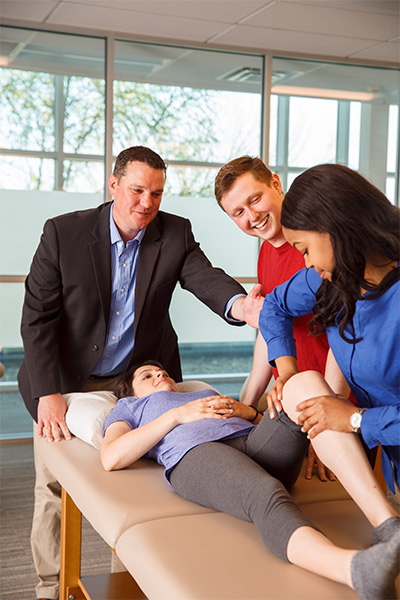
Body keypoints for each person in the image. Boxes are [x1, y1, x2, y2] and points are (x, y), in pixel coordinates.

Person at [18, 146, 261, 600]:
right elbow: (36, 320)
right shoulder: (63, 233)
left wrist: (241, 305)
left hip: (139, 375)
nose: (146, 203)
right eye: (136, 190)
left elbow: (203, 276)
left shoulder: (173, 233)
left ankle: (126, 585)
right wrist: (48, 391)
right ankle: (48, 588)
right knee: (52, 485)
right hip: (65, 376)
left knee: (137, 487)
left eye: (156, 193)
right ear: (113, 186)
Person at [101, 361, 400, 600]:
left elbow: (262, 421)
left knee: (306, 380)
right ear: (131, 392)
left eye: (161, 370)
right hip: (197, 454)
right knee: (266, 491)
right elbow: (111, 456)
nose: (160, 374)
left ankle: (387, 525)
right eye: (147, 375)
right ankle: (355, 570)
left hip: (253, 442)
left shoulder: (201, 393)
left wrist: (252, 414)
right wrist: (178, 415)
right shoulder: (130, 408)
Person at [258, 163, 400, 502]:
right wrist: (288, 372)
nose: (305, 263)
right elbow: (274, 307)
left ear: (333, 227)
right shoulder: (330, 278)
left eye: (305, 248)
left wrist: (355, 419)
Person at [215, 156, 346, 480]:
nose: (252, 216)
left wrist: (326, 420)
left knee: (254, 468)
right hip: (287, 391)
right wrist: (246, 405)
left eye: (254, 199)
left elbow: (344, 335)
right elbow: (268, 331)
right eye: (239, 213)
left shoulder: (319, 245)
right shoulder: (265, 253)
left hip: (332, 394)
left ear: (276, 183)